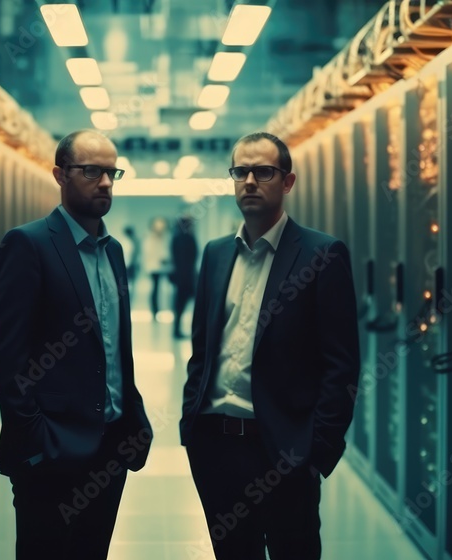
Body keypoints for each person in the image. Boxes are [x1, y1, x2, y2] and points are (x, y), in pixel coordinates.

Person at [179, 132, 361, 560]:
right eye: (240, 171)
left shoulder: (322, 254)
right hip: (216, 445)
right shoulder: (216, 253)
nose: (249, 181)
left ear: (288, 181)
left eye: (263, 171)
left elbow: (342, 365)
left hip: (284, 450)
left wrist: (317, 452)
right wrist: (192, 424)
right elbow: (202, 349)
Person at [0, 129, 153, 560]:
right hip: (53, 452)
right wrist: (37, 438)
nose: (105, 183)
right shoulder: (29, 244)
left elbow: (115, 348)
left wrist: (133, 419)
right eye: (91, 171)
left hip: (112, 445)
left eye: (112, 173)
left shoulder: (112, 252)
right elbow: (5, 359)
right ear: (60, 175)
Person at [169, 215, 198, 338]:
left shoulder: (176, 238)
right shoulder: (188, 238)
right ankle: (181, 330)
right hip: (187, 278)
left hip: (181, 277)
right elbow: (191, 258)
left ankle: (177, 330)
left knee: (179, 306)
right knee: (183, 305)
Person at [141, 216, 171, 321]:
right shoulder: (150, 238)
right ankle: (155, 311)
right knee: (156, 290)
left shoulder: (164, 237)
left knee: (161, 290)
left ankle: (159, 310)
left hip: (162, 267)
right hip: (154, 267)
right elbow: (149, 253)